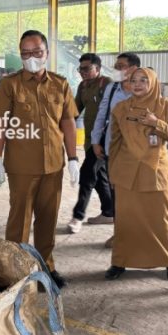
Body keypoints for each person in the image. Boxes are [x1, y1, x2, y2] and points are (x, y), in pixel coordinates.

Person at [0, 30, 79, 289]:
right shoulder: (10, 85)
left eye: (36, 52)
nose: (31, 58)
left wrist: (73, 157)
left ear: (47, 53)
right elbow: (0, 124)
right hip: (21, 166)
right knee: (19, 222)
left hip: (53, 164)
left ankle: (45, 269)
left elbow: (68, 122)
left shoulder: (60, 84)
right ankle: (15, 273)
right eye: (25, 53)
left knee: (48, 220)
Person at [104, 67, 168, 281]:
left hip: (155, 171)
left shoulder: (166, 106)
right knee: (126, 221)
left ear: (153, 83)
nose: (137, 84)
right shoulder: (121, 108)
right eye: (133, 80)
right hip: (126, 174)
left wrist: (156, 123)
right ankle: (120, 262)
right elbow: (115, 142)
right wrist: (113, 172)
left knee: (160, 220)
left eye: (143, 80)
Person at [90, 52, 142, 247]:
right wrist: (95, 141)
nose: (117, 69)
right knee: (118, 195)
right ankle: (119, 233)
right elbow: (101, 114)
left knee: (137, 195)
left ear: (134, 68)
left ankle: (138, 235)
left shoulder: (145, 88)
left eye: (121, 65)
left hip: (139, 153)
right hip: (114, 149)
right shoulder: (112, 88)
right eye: (116, 65)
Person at [67, 53, 114, 234]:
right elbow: (75, 110)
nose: (82, 72)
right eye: (80, 69)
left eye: (86, 69)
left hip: (103, 140)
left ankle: (77, 216)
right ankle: (109, 212)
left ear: (98, 68)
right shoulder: (83, 86)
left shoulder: (107, 84)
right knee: (100, 177)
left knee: (87, 176)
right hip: (89, 141)